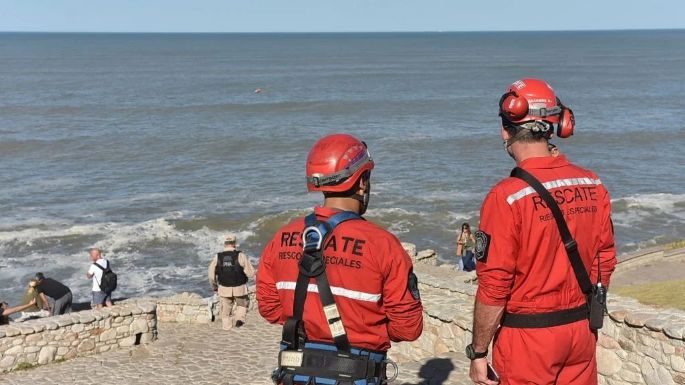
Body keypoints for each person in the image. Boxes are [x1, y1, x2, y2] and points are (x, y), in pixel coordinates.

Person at [467, 78, 617, 385]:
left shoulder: (507, 196)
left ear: (505, 131)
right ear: (554, 126)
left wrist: (478, 352)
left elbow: (495, 285)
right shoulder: (592, 184)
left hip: (528, 339)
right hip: (581, 332)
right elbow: (605, 259)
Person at [257, 133, 423, 385]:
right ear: (362, 183)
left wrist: (312, 323)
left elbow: (269, 308)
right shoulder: (383, 245)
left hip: (294, 376)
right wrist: (363, 328)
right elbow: (408, 328)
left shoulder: (281, 237)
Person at [208, 233, 255, 330]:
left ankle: (227, 328)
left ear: (225, 244)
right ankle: (239, 320)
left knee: (225, 312)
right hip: (239, 288)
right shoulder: (240, 255)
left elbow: (211, 275)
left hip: (224, 288)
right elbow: (250, 273)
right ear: (234, 243)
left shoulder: (217, 257)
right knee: (242, 305)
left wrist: (215, 287)